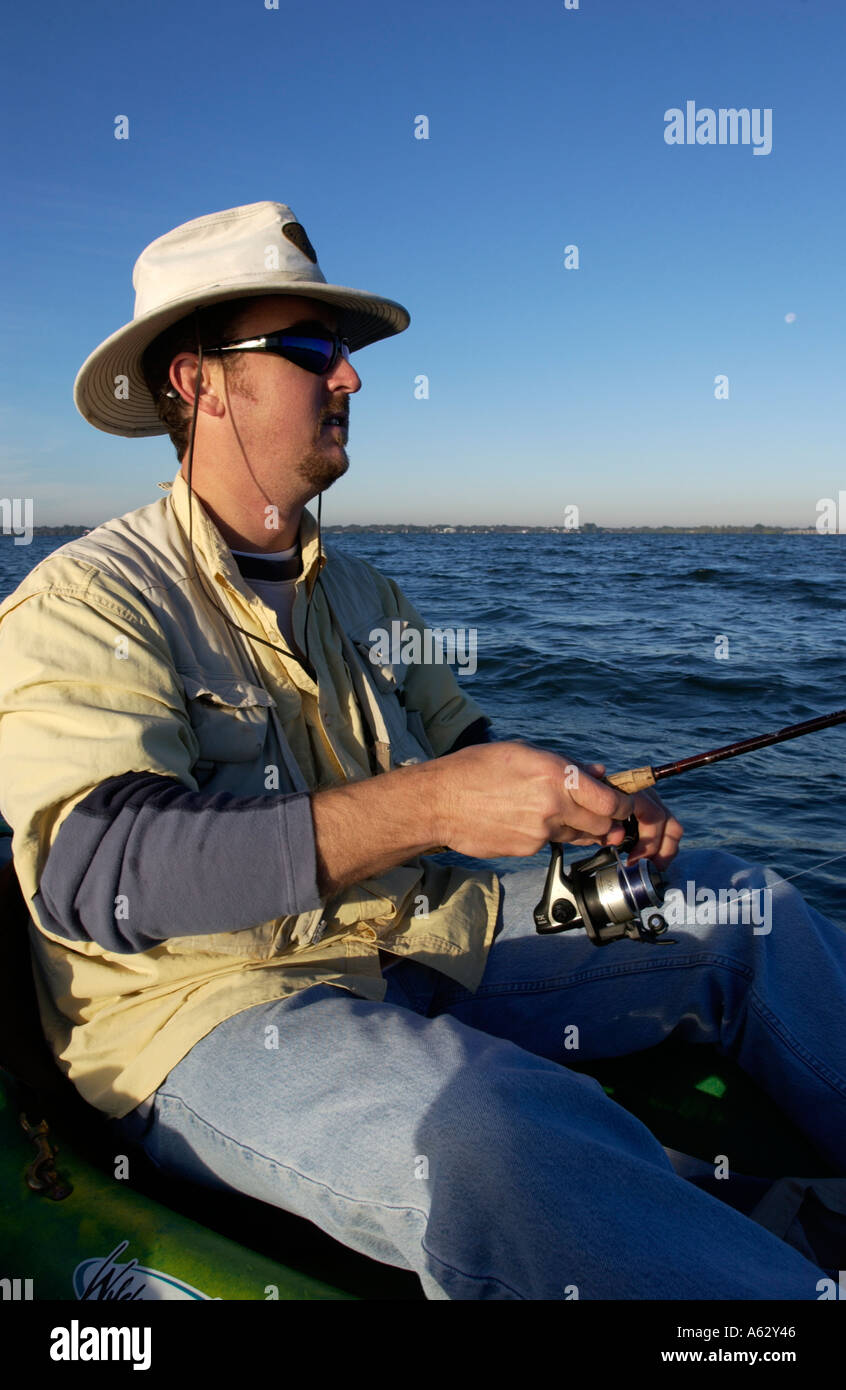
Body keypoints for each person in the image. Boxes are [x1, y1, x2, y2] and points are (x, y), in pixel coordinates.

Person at [0, 200, 843, 1301]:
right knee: (494, 1141)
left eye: (343, 353)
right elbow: (91, 870)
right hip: (218, 1015)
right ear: (199, 381)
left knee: (740, 908)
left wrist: (582, 801)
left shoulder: (365, 593)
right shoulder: (88, 598)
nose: (348, 378)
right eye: (310, 350)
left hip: (436, 930)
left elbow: (468, 741)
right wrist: (432, 808)